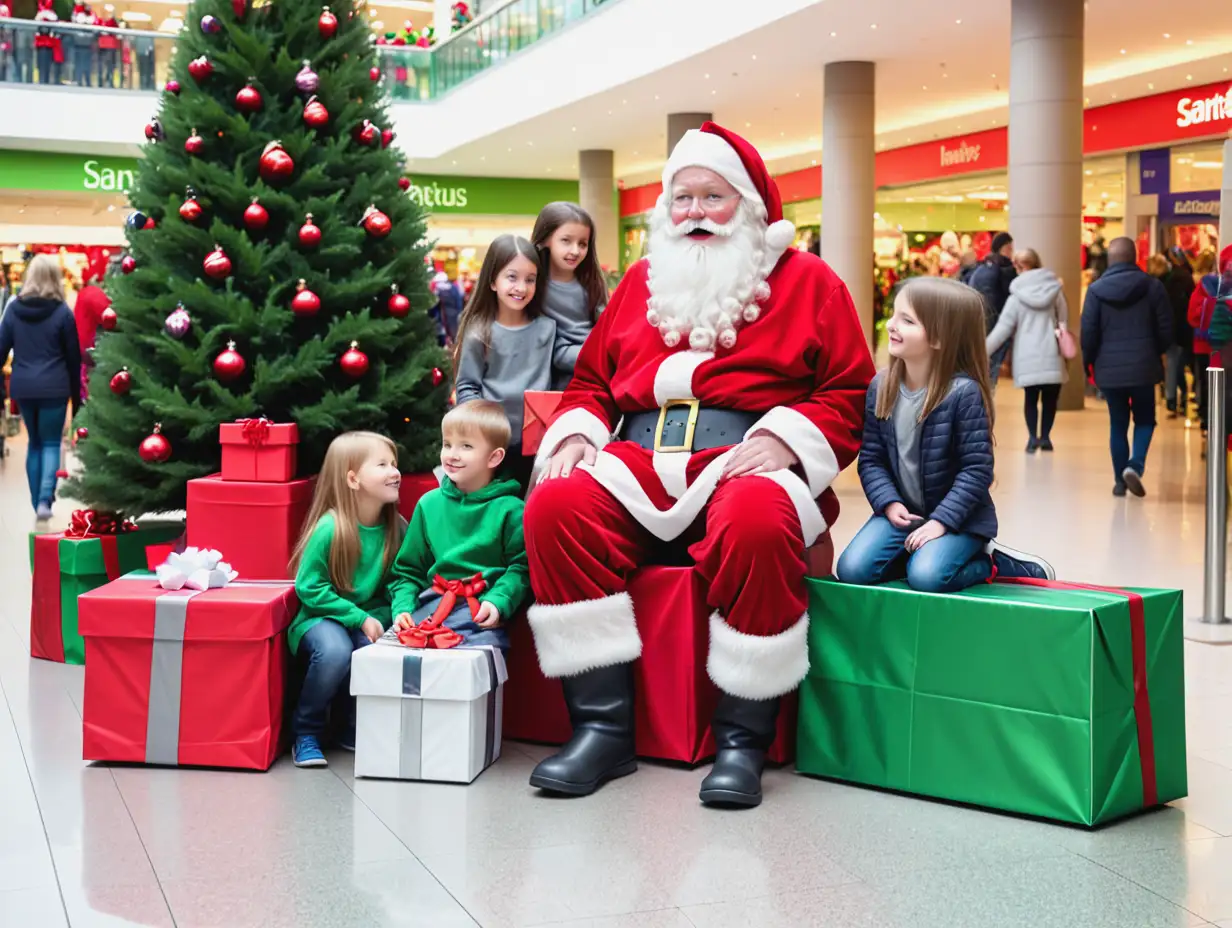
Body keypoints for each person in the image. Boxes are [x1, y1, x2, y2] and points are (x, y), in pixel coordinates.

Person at [523, 122, 875, 808]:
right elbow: (593, 381)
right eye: (681, 198)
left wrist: (788, 439)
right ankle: (602, 728)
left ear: (746, 205)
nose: (693, 214)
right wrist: (575, 435)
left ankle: (742, 740)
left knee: (758, 520)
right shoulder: (641, 286)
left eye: (711, 197)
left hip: (743, 457)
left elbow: (850, 390)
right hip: (639, 462)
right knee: (556, 506)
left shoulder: (808, 282)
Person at [837, 277, 1054, 593]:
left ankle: (990, 561)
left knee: (926, 577)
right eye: (894, 315)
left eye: (908, 321)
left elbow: (976, 471)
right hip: (905, 515)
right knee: (853, 570)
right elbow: (871, 458)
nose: (892, 325)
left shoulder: (963, 394)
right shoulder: (881, 387)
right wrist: (888, 503)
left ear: (939, 338)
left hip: (959, 519)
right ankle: (921, 555)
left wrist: (941, 522)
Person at [286, 431, 402, 768]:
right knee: (336, 651)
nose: (395, 471)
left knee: (372, 652)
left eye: (394, 463)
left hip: (364, 617)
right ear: (353, 479)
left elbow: (398, 582)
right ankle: (305, 732)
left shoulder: (396, 529)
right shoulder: (331, 529)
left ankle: (349, 727)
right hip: (318, 619)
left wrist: (391, 615)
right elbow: (309, 588)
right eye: (382, 464)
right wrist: (359, 618)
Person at [389, 400, 530, 651]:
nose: (452, 454)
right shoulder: (428, 504)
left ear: (494, 457)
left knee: (468, 670)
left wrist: (498, 601)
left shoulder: (511, 510)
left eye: (466, 446)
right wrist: (402, 609)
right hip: (430, 607)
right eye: (447, 444)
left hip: (481, 613)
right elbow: (408, 571)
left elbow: (522, 568)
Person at [454, 234, 555, 491]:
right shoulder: (480, 332)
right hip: (492, 448)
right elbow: (467, 387)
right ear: (492, 281)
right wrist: (482, 436)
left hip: (539, 447)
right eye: (512, 277)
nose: (521, 287)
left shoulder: (548, 329)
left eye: (529, 279)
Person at [1081, 237, 1172, 498]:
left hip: (1109, 369)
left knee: (1117, 423)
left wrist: (1089, 363)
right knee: (1145, 419)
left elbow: (1089, 332)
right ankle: (1135, 465)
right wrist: (1157, 352)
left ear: (1110, 259)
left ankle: (1119, 482)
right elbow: (1166, 328)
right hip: (1144, 366)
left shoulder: (1096, 291)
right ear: (1135, 258)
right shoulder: (1153, 287)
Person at [0, 254, 81, 522]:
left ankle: (37, 501)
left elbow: (1, 351)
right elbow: (73, 359)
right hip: (54, 387)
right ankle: (45, 499)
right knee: (50, 442)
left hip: (23, 386)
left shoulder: (13, 309)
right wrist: (77, 399)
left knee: (34, 443)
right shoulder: (62, 313)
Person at [985, 248, 1068, 452]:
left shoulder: (1016, 297)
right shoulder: (1055, 291)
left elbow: (1003, 329)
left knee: (1031, 398)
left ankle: (1032, 438)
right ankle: (1046, 437)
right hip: (1051, 352)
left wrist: (981, 350)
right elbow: (1064, 321)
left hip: (1027, 355)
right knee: (1050, 399)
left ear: (1018, 266)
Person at [532, 202, 607, 389]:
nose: (575, 251)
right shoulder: (533, 287)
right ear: (545, 239)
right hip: (553, 384)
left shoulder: (593, 284)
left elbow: (607, 330)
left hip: (596, 378)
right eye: (566, 240)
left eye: (582, 244)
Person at [1189, 248, 1230, 433]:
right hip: (1216, 347)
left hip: (1206, 345)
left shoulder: (1206, 285)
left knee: (1208, 386)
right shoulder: (1207, 285)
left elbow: (1193, 316)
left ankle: (1210, 423)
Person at [968, 232, 1017, 385]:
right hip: (995, 321)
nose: (1012, 252)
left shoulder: (983, 268)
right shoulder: (1002, 270)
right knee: (992, 361)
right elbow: (996, 299)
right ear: (1004, 248)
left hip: (984, 320)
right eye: (1010, 248)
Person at [1160, 249, 1196, 419]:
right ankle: (1180, 398)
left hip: (1171, 329)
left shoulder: (1167, 282)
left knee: (1173, 365)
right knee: (1179, 364)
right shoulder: (1188, 279)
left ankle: (1173, 400)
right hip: (1186, 329)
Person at [73, 267, 110, 402]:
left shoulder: (84, 295)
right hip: (92, 359)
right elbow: (110, 318)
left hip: (82, 358)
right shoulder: (94, 295)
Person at [429, 270, 464, 347]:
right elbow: (459, 301)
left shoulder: (436, 290)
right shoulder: (453, 288)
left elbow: (433, 306)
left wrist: (431, 314)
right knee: (454, 333)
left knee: (443, 333)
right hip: (454, 314)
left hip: (442, 316)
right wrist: (460, 312)